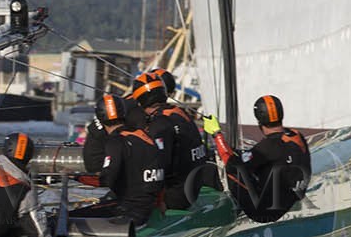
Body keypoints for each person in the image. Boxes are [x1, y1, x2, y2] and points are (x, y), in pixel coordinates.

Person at [203, 95, 312, 223]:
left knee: (220, 169)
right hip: (291, 199)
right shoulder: (296, 135)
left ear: (259, 121)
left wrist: (217, 134)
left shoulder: (267, 147)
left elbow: (232, 164)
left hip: (264, 212)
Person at [75, 93, 166, 226]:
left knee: (64, 217)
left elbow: (106, 180)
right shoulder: (144, 136)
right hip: (149, 207)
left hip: (128, 211)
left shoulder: (115, 142)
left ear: (100, 119)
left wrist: (74, 177)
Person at [131, 73, 209, 210]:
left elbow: (159, 166)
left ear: (140, 101)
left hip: (176, 196)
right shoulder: (179, 112)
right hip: (193, 186)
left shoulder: (159, 124)